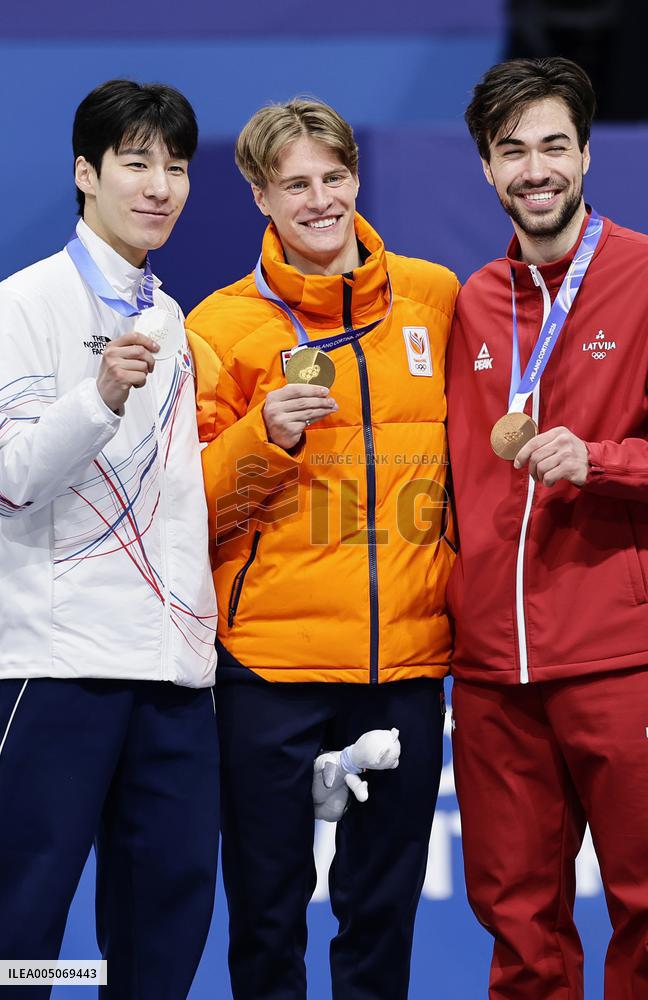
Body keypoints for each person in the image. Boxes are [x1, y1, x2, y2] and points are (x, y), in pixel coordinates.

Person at [186, 98, 458, 1000]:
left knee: (381, 913)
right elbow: (194, 511)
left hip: (404, 661)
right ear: (259, 196)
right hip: (271, 668)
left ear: (356, 177)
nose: (319, 200)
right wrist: (264, 438)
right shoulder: (219, 328)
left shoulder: (436, 299)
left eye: (333, 177)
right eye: (294, 184)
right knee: (267, 910)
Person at [446, 56, 648, 998]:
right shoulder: (469, 303)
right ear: (487, 171)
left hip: (621, 655)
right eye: (512, 151)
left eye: (553, 146)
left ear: (585, 156)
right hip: (496, 675)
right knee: (519, 927)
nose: (535, 170)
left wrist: (605, 460)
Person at [0, 80, 219, 998]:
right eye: (136, 163)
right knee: (25, 926)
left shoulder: (169, 314)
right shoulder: (25, 304)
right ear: (85, 174)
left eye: (175, 166)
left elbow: (172, 503)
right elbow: (13, 479)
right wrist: (99, 399)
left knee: (161, 933)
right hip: (59, 670)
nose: (159, 185)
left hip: (171, 679)